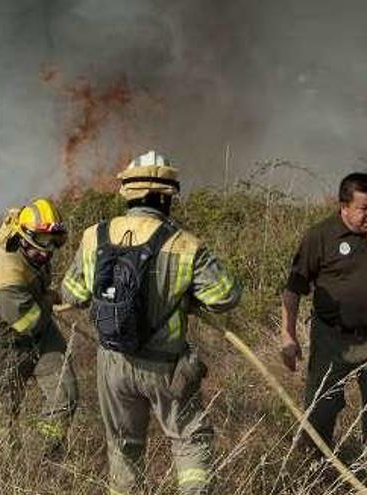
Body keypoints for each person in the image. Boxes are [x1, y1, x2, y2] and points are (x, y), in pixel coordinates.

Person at [61, 151, 241, 495]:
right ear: (166, 196)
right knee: (189, 440)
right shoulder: (186, 245)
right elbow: (226, 296)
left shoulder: (93, 236)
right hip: (167, 368)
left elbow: (71, 294)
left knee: (124, 447)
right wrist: (185, 295)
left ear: (128, 193)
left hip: (113, 364)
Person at [280, 172, 367, 494]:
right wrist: (288, 335)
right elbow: (293, 289)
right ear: (343, 206)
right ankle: (316, 478)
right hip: (332, 341)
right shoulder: (320, 236)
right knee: (321, 413)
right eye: (363, 208)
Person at [0, 198, 77, 459]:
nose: (48, 250)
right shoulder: (6, 275)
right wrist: (50, 299)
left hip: (39, 332)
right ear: (23, 237)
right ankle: (8, 473)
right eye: (42, 240)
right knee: (3, 420)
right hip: (3, 344)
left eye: (54, 241)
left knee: (65, 393)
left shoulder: (35, 253)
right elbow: (29, 322)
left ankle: (44, 457)